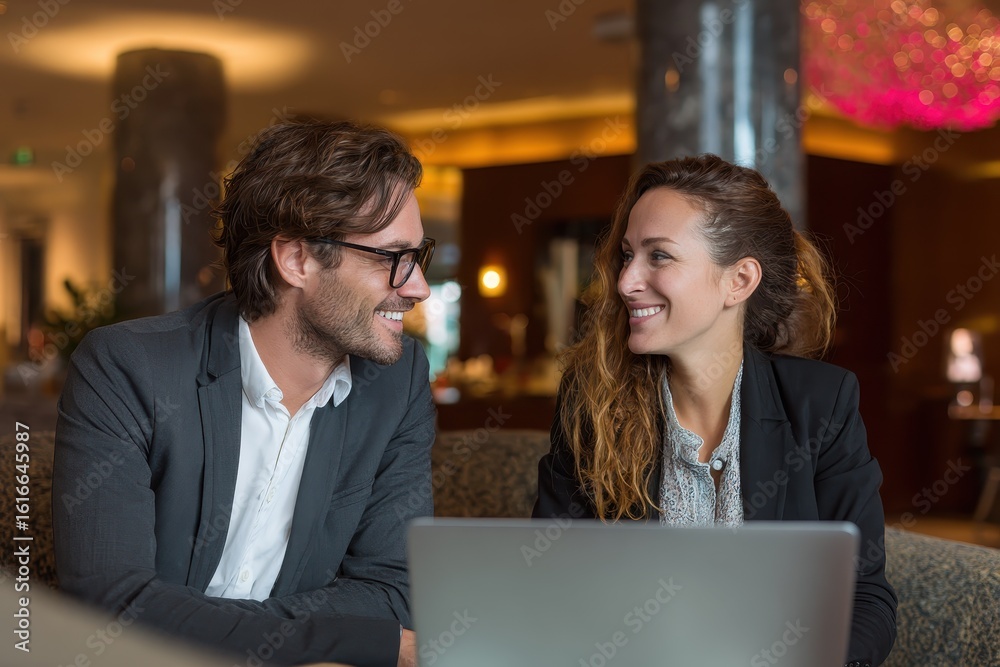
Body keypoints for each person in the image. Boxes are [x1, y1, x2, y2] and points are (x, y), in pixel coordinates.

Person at [52, 119, 437, 667]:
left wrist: (210, 626)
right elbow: (108, 603)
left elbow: (394, 593)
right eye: (390, 258)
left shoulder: (397, 382)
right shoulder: (129, 367)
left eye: (418, 256)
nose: (418, 286)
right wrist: (342, 638)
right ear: (296, 259)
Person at [533, 155, 897, 666]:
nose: (625, 281)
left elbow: (865, 598)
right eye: (627, 255)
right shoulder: (591, 402)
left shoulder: (822, 404)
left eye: (659, 256)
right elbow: (553, 583)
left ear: (739, 280)